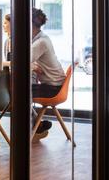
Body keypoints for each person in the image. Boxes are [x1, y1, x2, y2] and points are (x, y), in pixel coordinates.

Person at [31, 8, 66, 139]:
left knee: (18, 93)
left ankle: (34, 127)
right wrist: (33, 66)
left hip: (53, 88)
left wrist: (32, 65)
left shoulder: (40, 42)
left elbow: (20, 62)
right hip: (55, 85)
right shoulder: (43, 38)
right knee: (20, 91)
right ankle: (37, 125)